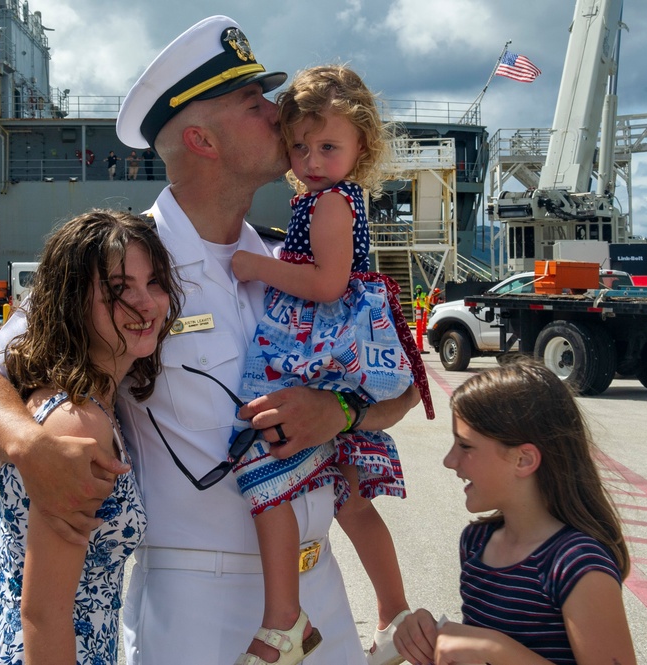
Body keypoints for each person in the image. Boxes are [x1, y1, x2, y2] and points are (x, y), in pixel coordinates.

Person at [0, 16, 417, 665]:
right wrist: (30, 445)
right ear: (201, 138)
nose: (278, 112)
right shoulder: (125, 267)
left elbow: (396, 387)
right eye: (254, 103)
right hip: (200, 603)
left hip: (319, 598)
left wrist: (337, 412)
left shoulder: (295, 262)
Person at [228, 64, 434, 665]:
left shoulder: (329, 205)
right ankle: (392, 609)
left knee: (263, 469)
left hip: (322, 344)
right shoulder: (330, 198)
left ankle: (284, 620)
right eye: (299, 146)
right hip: (338, 347)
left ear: (361, 146)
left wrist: (255, 265)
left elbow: (327, 282)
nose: (311, 160)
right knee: (350, 496)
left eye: (328, 146)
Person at [0, 210, 181, 665]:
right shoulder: (78, 421)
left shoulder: (95, 400)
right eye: (119, 290)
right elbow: (44, 613)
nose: (146, 303)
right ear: (73, 303)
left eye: (155, 282)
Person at [392, 358, 637, 665]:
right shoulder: (476, 543)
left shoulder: (577, 565)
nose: (449, 460)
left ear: (523, 460)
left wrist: (493, 649)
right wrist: (427, 635)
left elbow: (489, 650)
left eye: (465, 446)